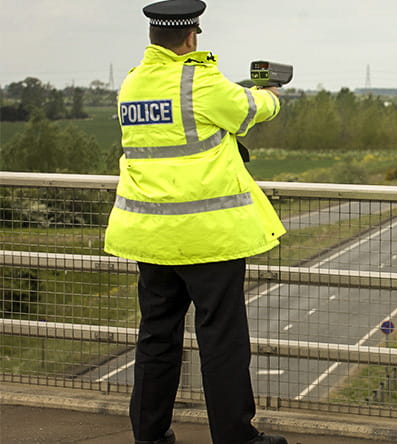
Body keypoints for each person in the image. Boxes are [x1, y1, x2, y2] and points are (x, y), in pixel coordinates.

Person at [104, 1, 287, 443]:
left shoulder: (131, 84)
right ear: (191, 37)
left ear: (153, 38)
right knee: (221, 341)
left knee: (156, 338)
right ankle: (235, 437)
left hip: (149, 235)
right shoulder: (199, 80)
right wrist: (274, 95)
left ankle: (149, 435)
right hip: (208, 238)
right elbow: (249, 109)